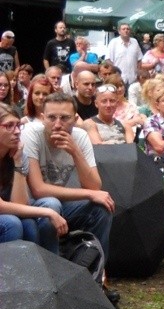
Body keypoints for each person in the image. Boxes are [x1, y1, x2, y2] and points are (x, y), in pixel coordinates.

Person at [22, 93, 116, 296]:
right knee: (51, 203)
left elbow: (94, 185)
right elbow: (38, 188)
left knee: (101, 208)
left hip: (63, 205)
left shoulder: (80, 137)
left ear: (75, 118)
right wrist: (89, 194)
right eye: (51, 118)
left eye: (64, 118)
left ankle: (95, 278)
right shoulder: (32, 134)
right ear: (42, 117)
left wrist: (75, 152)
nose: (57, 124)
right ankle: (52, 281)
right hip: (32, 206)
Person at [0, 103, 66, 253]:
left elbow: (20, 203)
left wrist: (17, 163)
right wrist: (48, 212)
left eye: (18, 125)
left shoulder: (18, 154)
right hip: (6, 217)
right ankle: (10, 275)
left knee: (38, 215)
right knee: (11, 223)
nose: (16, 131)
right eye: (9, 126)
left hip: (10, 213)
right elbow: (2, 207)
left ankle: (45, 271)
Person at [106, 23, 142, 87]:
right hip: (119, 79)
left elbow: (139, 59)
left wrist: (138, 73)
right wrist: (115, 72)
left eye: (128, 29)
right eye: (123, 29)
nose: (126, 30)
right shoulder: (114, 42)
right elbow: (108, 60)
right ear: (119, 31)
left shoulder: (135, 42)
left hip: (133, 79)